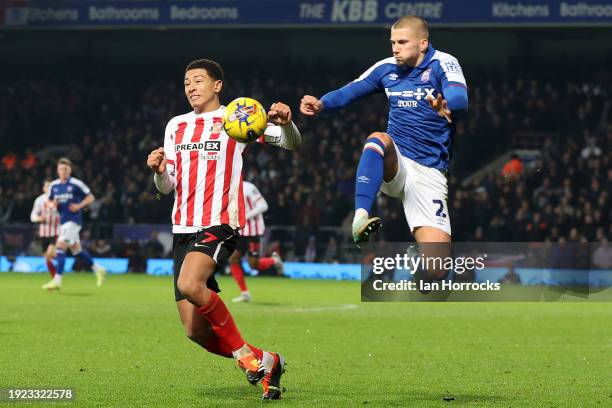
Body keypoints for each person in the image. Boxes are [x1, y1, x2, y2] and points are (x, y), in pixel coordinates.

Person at [147, 59, 301, 400]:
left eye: (198, 80)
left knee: (190, 284)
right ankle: (267, 360)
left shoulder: (237, 118)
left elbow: (290, 143)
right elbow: (166, 186)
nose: (190, 87)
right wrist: (158, 171)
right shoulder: (176, 126)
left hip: (219, 221)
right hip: (182, 227)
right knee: (194, 331)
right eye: (186, 81)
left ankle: (246, 359)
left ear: (218, 85)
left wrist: (288, 125)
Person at [300, 15, 468, 281]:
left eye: (402, 42)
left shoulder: (443, 63)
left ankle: (419, 267)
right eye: (392, 42)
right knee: (378, 139)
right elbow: (350, 91)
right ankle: (361, 216)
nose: (395, 48)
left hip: (429, 172)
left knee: (437, 270)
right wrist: (322, 103)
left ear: (422, 43)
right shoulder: (385, 68)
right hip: (396, 161)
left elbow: (460, 96)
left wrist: (447, 104)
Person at [42, 158, 106, 290]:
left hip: (73, 221)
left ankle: (57, 280)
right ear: (58, 171)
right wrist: (52, 204)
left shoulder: (77, 184)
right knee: (77, 251)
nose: (63, 171)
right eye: (61, 169)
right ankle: (98, 269)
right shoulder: (54, 186)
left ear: (70, 170)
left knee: (60, 246)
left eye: (66, 169)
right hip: (63, 221)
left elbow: (91, 197)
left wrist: (79, 206)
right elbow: (48, 201)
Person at [230, 180, 284, 303]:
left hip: (252, 231)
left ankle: (274, 260)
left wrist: (246, 216)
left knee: (253, 265)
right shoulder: (225, 187)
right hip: (240, 231)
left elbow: (264, 205)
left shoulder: (248, 187)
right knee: (233, 259)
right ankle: (245, 293)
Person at [30, 180, 60, 278]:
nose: (49, 188)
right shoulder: (39, 200)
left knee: (50, 253)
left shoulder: (58, 199)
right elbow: (33, 215)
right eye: (47, 186)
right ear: (44, 188)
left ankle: (61, 262)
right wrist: (39, 218)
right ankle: (54, 278)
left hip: (56, 231)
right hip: (43, 232)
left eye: (51, 186)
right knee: (47, 258)